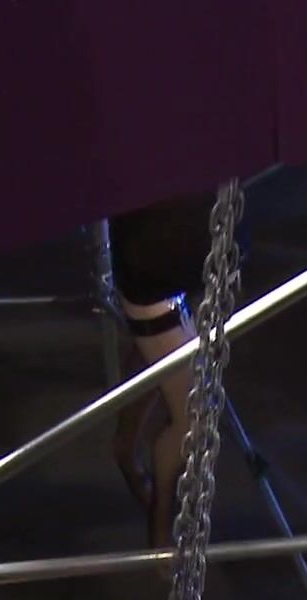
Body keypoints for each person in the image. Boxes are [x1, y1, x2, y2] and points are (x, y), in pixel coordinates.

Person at [106, 195, 223, 549]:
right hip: (154, 269)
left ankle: (126, 448)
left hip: (179, 257)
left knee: (155, 360)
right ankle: (160, 527)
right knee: (194, 417)